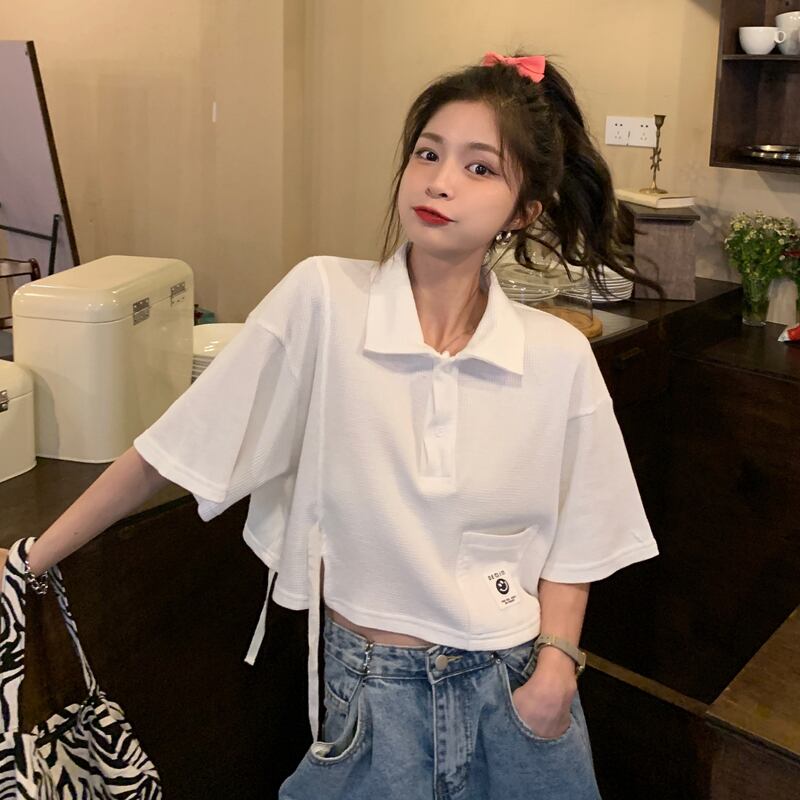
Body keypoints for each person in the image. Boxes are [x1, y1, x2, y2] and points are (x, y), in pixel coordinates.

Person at [5, 52, 663, 799]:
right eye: (428, 153)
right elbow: (174, 448)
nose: (440, 181)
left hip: (514, 692)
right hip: (374, 696)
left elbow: (579, 534)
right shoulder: (324, 299)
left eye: (479, 167)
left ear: (524, 212)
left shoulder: (555, 355)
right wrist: (27, 559)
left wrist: (556, 668)